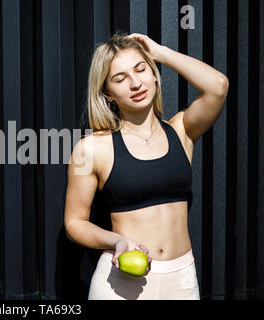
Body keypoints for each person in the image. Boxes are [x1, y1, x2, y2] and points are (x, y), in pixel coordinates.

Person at [64, 32, 229, 300]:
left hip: (182, 280)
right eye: (120, 78)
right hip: (119, 285)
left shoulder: (182, 130)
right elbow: (74, 223)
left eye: (141, 69)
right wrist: (115, 240)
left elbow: (218, 85)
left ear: (154, 75)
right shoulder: (91, 148)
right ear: (108, 94)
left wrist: (160, 53)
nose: (135, 83)